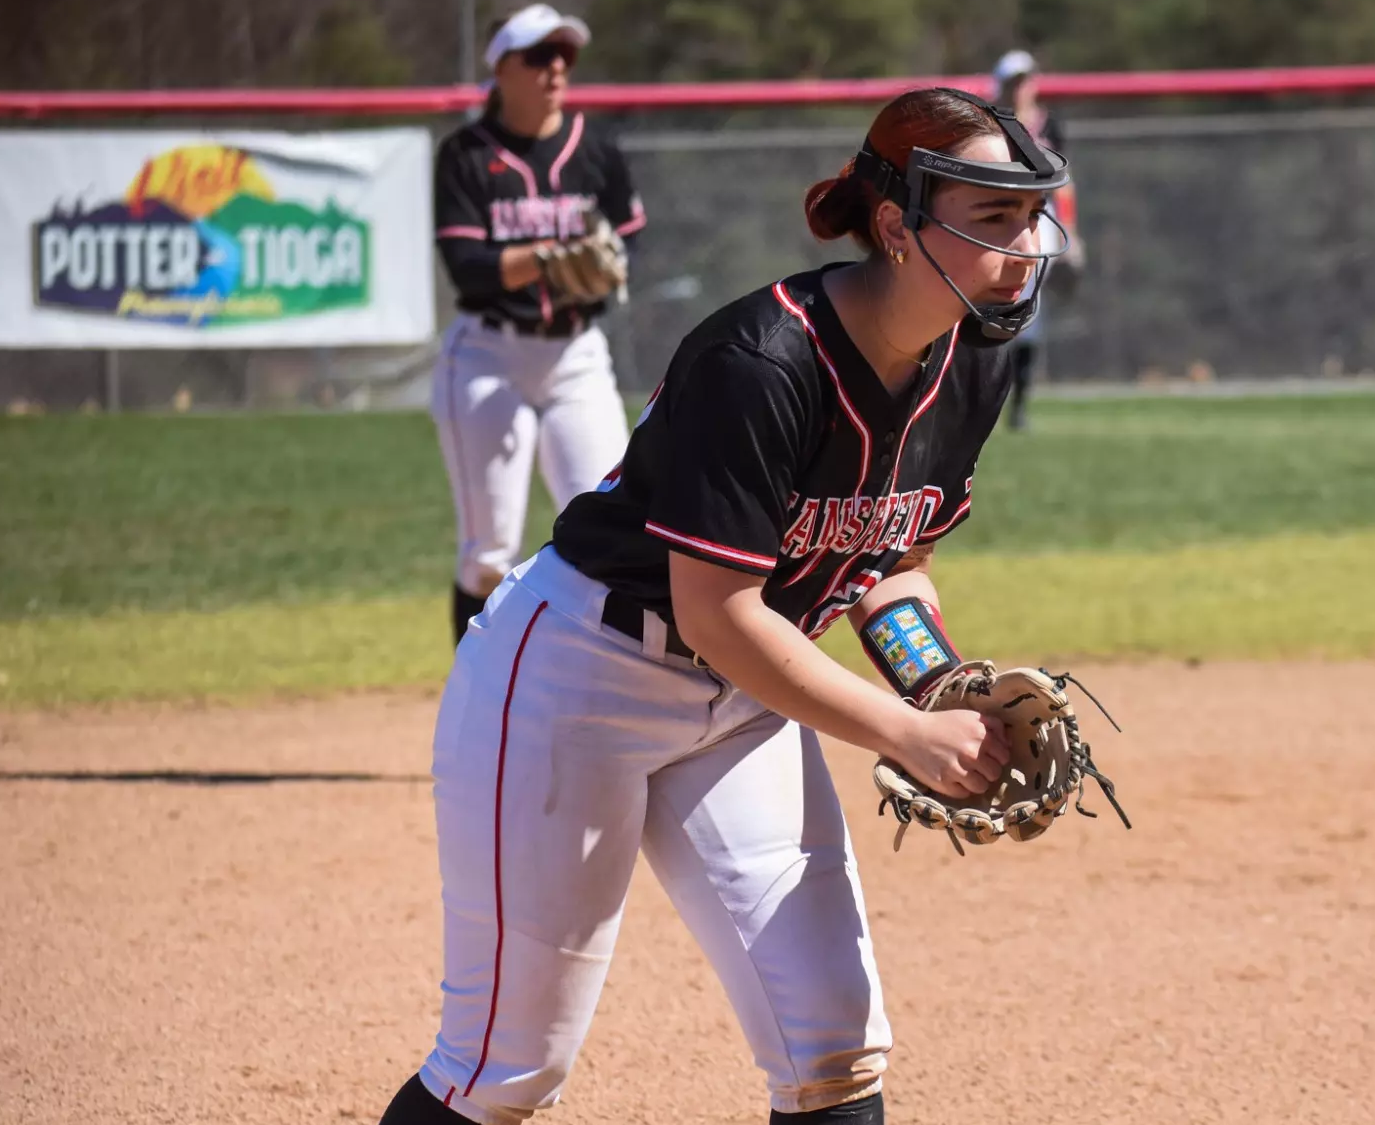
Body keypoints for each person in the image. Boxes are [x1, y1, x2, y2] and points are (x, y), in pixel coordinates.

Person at [374, 86, 1072, 1125]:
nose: (1022, 246)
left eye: (1028, 217)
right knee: (506, 1066)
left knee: (834, 1042)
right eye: (989, 219)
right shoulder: (761, 361)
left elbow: (888, 557)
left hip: (742, 697)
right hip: (577, 676)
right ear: (894, 225)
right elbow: (716, 612)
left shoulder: (973, 361)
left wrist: (938, 681)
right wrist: (906, 732)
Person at [430, 3, 647, 646]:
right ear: (501, 67)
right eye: (538, 56)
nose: (555, 68)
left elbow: (625, 246)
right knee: (489, 551)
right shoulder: (466, 155)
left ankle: (590, 692)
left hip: (576, 356)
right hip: (488, 357)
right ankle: (474, 697)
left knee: (610, 532)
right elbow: (469, 268)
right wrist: (553, 258)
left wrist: (602, 267)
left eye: (565, 56)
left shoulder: (596, 149)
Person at [992, 48, 1084, 431]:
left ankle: (1019, 406)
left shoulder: (1049, 124)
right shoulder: (990, 123)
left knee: (1029, 308)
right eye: (1014, 82)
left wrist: (1072, 233)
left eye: (1025, 80)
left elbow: (1065, 182)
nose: (1021, 89)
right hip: (995, 219)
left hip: (1040, 219)